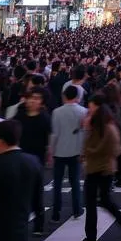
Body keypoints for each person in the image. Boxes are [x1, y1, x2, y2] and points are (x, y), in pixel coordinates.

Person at [72, 93, 121, 241]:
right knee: (102, 201)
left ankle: (93, 237)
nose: (88, 109)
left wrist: (89, 151)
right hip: (99, 168)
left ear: (97, 107)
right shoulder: (99, 124)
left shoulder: (106, 127)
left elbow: (115, 149)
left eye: (91, 106)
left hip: (101, 169)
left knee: (95, 202)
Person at [16, 88, 52, 236]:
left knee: (36, 192)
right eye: (30, 98)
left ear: (41, 101)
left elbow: (50, 137)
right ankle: (19, 222)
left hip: (38, 159)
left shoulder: (44, 117)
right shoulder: (19, 116)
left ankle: (38, 224)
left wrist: (50, 153)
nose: (33, 101)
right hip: (20, 157)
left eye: (37, 98)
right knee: (19, 192)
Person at [50, 84, 86, 222]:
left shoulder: (57, 112)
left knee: (57, 183)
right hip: (76, 151)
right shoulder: (83, 111)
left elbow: (55, 134)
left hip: (59, 151)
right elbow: (84, 134)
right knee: (75, 182)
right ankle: (77, 209)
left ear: (64, 96)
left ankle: (56, 212)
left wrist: (51, 150)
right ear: (77, 97)